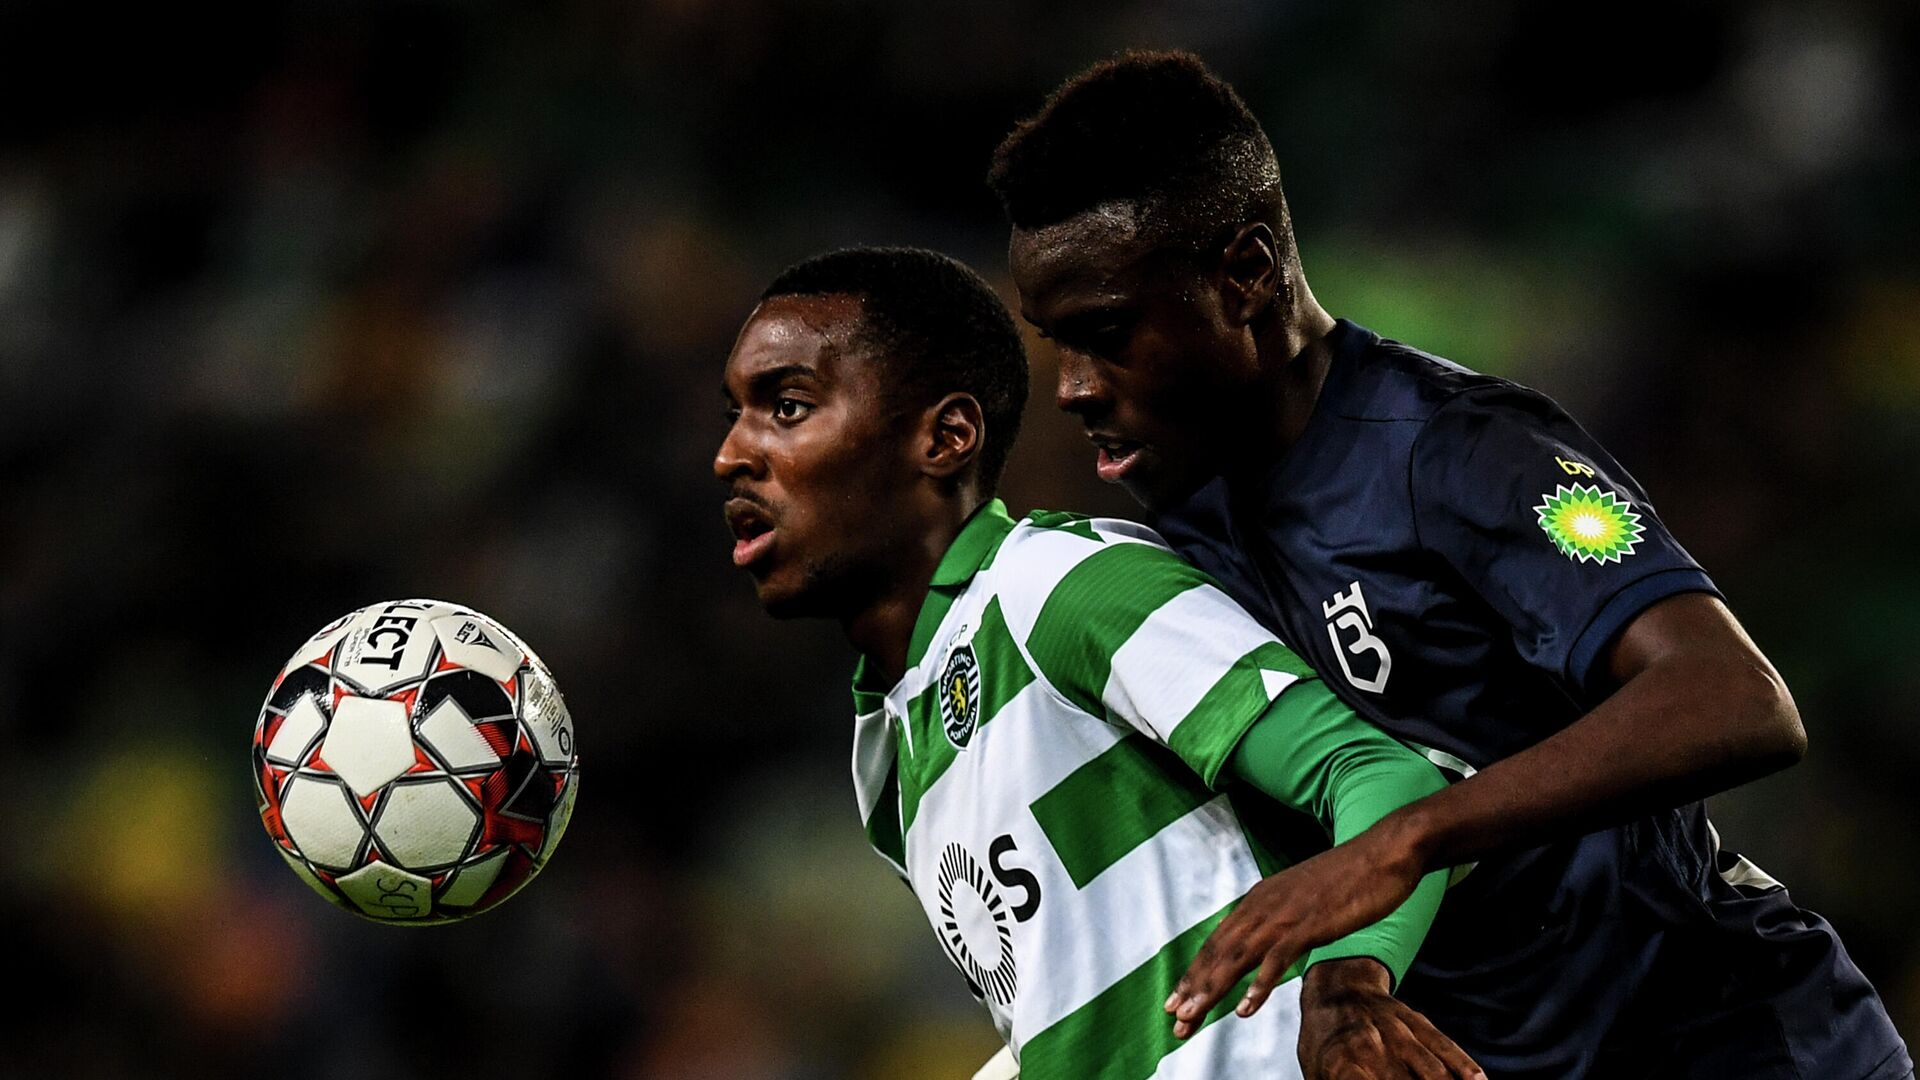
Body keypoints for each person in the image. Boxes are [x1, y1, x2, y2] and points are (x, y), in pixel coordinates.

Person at [990, 50, 1912, 1079]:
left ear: (1246, 275)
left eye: (1106, 334)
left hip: (1733, 1045)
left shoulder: (1454, 450)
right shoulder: (1179, 533)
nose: (1071, 387)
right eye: (1055, 342)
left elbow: (1735, 700)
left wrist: (1404, 840)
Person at [715, 247, 1485, 1079]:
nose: (731, 455)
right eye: (736, 413)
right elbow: (1078, 1019)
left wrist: (1350, 990)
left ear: (946, 438)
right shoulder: (886, 766)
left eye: (786, 407)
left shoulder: (1054, 587)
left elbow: (1386, 777)